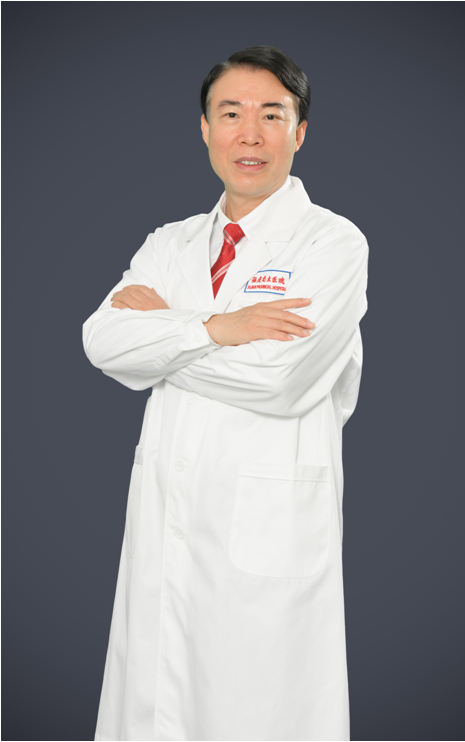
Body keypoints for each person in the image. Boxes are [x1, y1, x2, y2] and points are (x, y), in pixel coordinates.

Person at [83, 45, 369, 742]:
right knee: (155, 704)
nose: (251, 134)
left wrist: (165, 333)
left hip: (270, 537)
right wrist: (218, 327)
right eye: (231, 113)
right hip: (166, 526)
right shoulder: (171, 243)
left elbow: (281, 379)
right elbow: (101, 341)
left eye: (272, 114)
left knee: (262, 709)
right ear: (205, 129)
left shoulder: (333, 244)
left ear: (300, 132)